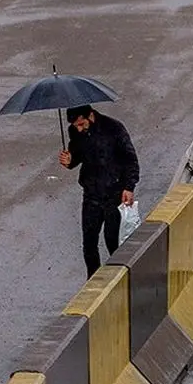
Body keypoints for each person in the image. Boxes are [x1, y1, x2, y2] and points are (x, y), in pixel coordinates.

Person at [58, 105, 140, 277]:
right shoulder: (75, 131)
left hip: (114, 193)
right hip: (91, 194)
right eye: (75, 126)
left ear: (90, 115)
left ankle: (119, 279)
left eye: (81, 124)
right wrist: (70, 160)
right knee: (89, 243)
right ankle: (92, 279)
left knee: (113, 241)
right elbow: (77, 155)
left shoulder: (114, 128)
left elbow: (130, 159)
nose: (79, 129)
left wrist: (129, 187)